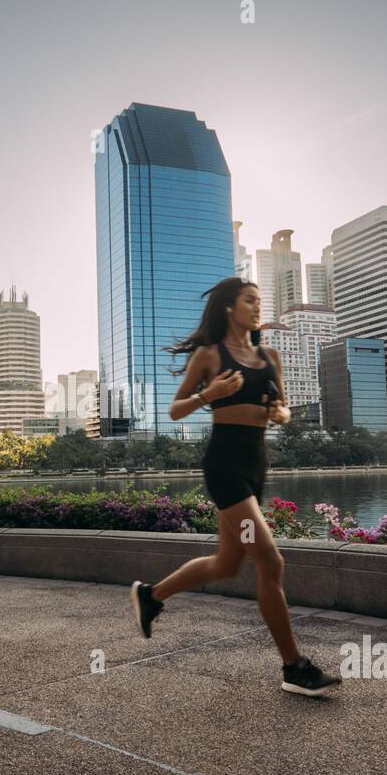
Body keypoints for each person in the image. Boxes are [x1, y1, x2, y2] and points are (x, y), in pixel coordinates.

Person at [129, 276, 342, 697]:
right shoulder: (210, 356)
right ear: (230, 307)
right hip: (224, 467)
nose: (257, 308)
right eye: (249, 301)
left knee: (227, 565)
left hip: (256, 466)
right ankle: (293, 667)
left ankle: (151, 595)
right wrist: (209, 393)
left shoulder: (270, 356)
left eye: (259, 302)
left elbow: (279, 409)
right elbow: (175, 410)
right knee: (270, 560)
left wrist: (281, 414)